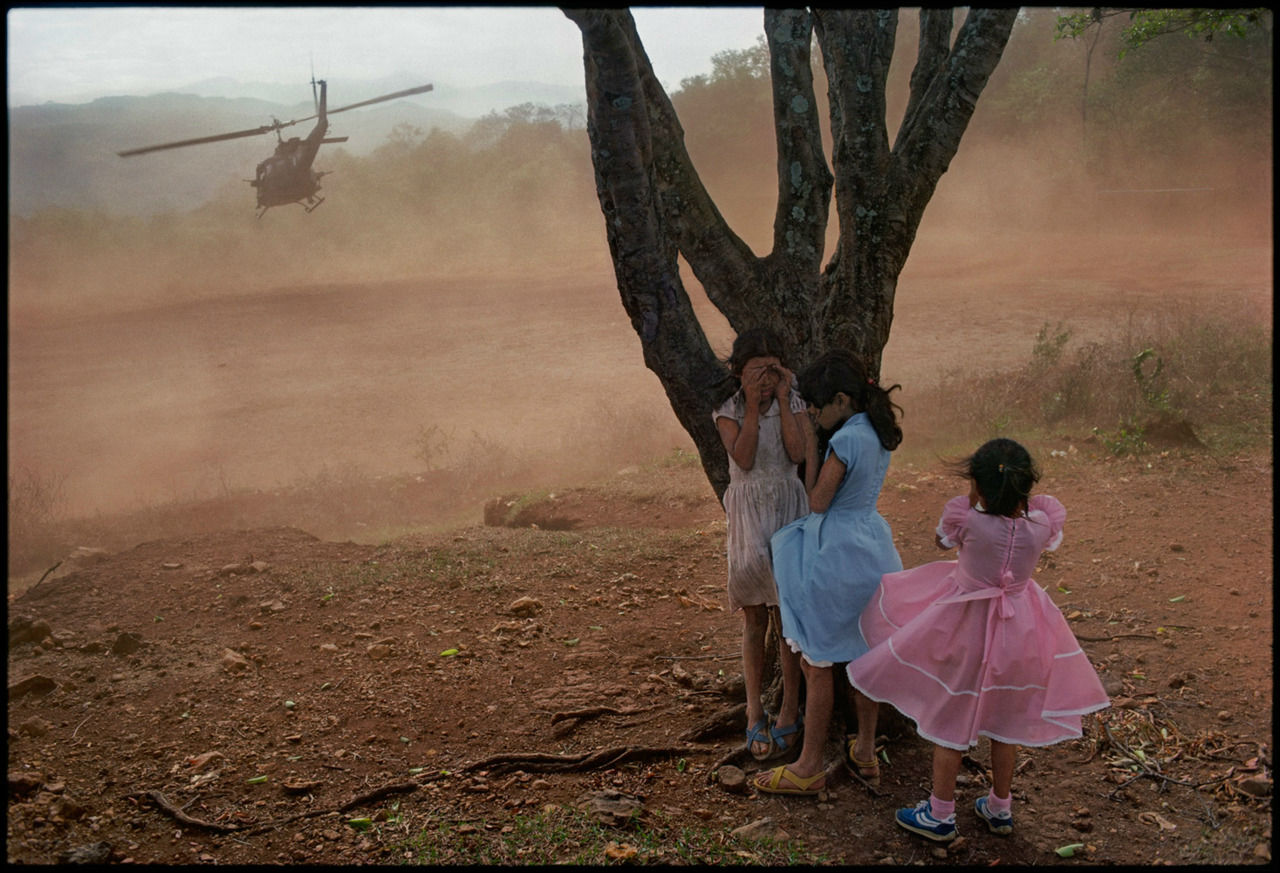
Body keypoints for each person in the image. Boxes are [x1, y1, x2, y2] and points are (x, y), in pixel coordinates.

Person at [846, 438, 1110, 841]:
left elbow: (942, 541)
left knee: (951, 719)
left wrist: (972, 510)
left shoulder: (967, 519)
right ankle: (1000, 806)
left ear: (980, 488)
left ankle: (940, 814)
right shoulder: (1042, 524)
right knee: (1006, 722)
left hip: (966, 628)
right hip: (1021, 632)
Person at [753, 350, 904, 795]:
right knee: (864, 656)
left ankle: (809, 765)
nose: (815, 414)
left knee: (817, 662)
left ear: (842, 399)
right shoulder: (875, 433)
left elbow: (818, 502)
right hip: (871, 545)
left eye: (818, 407)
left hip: (834, 553)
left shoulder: (844, 441)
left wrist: (815, 452)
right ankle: (865, 751)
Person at [714, 328, 811, 761]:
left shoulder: (795, 404)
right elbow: (746, 457)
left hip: (789, 509)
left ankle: (790, 706)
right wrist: (753, 407)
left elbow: (797, 452)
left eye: (773, 371)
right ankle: (754, 711)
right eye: (757, 372)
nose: (766, 381)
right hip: (751, 515)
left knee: (787, 618)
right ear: (738, 373)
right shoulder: (729, 411)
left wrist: (787, 400)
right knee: (755, 618)